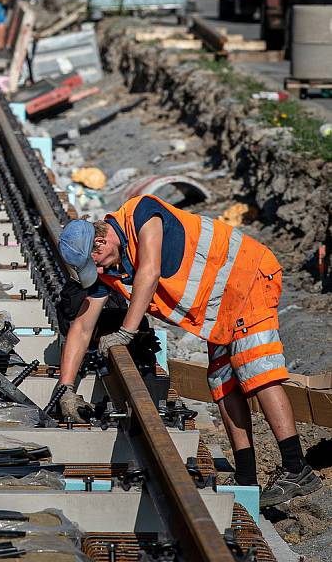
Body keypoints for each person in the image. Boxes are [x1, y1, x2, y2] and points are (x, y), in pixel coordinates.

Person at [56, 197, 323, 509]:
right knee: (222, 383)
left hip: (246, 275)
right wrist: (66, 388)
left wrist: (125, 333)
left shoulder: (141, 214)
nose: (100, 269)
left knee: (257, 370)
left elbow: (151, 271)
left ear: (100, 240)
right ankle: (247, 476)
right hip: (219, 303)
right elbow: (82, 326)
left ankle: (296, 468)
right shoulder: (109, 269)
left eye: (97, 260)